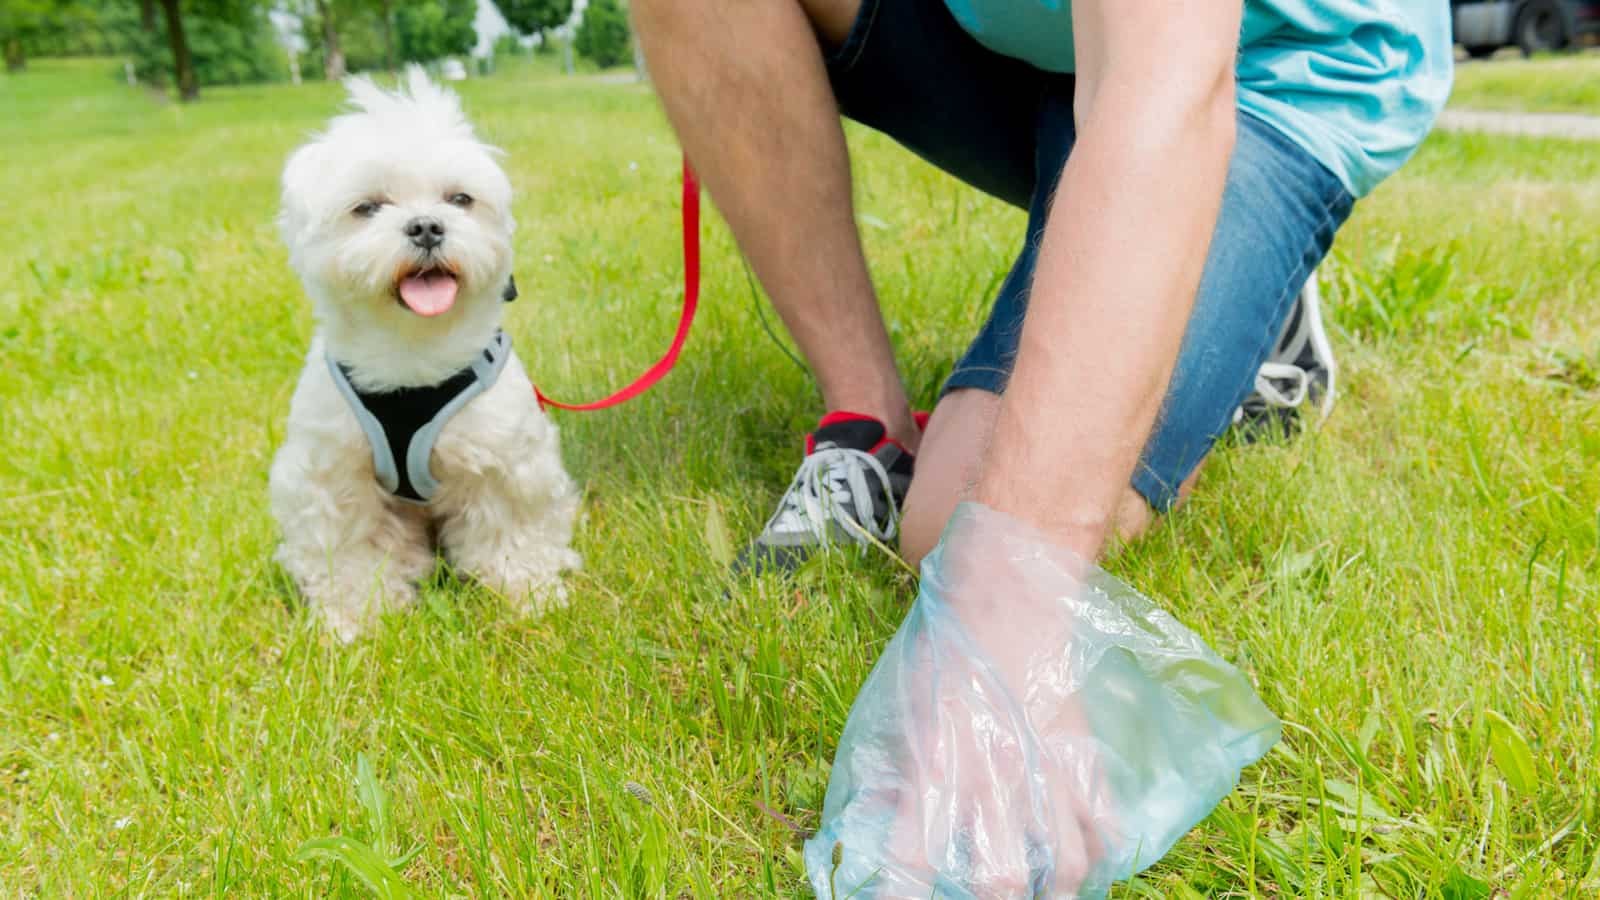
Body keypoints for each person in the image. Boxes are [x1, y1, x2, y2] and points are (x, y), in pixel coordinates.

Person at [632, 0, 1450, 572]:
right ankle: (869, 429)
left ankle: (1238, 285)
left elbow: (1162, 71)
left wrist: (1005, 614)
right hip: (1023, 38)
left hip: (1260, 65)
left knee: (961, 530)